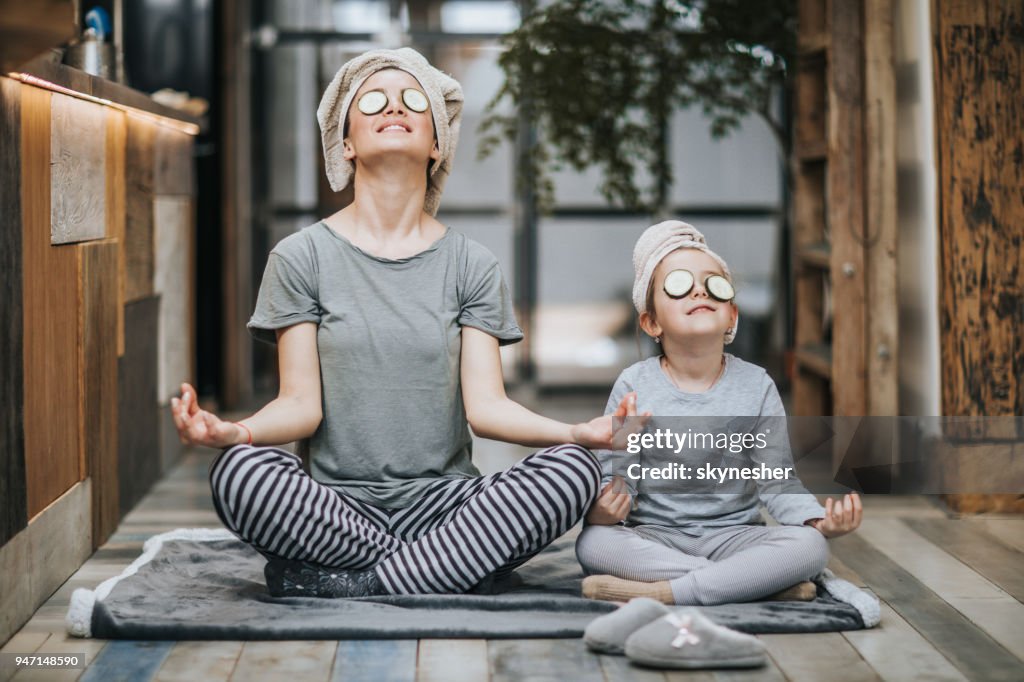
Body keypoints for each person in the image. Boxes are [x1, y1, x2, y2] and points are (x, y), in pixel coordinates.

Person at [170, 48, 637, 598]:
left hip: (446, 506)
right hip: (334, 511)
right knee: (237, 474)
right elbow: (301, 405)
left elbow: (486, 410)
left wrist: (576, 434)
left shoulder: (471, 264)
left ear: (436, 143)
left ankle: (359, 582)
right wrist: (235, 432)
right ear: (345, 144)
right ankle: (449, 568)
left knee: (574, 470)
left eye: (413, 100)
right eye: (372, 100)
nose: (394, 106)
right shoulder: (300, 257)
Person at [575, 221, 863, 605]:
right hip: (656, 536)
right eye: (678, 284)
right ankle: (754, 584)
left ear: (732, 316)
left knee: (809, 546)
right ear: (651, 322)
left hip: (735, 536)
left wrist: (818, 521)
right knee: (594, 543)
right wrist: (606, 507)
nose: (699, 290)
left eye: (714, 284)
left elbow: (778, 482)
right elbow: (617, 483)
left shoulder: (757, 385)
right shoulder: (633, 384)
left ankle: (667, 592)